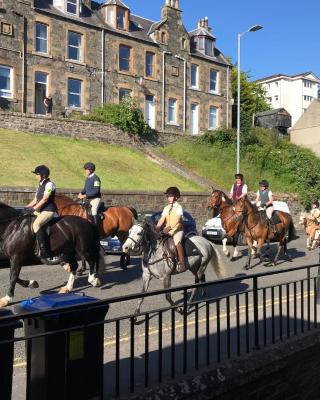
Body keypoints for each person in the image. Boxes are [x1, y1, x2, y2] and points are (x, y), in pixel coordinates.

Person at [25, 165, 57, 259]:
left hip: (48, 210)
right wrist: (26, 207)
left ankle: (44, 250)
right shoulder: (40, 185)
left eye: (37, 174)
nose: (35, 176)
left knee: (36, 225)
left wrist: (34, 208)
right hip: (40, 210)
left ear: (43, 175)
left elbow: (45, 199)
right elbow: (35, 200)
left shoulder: (49, 184)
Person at [156, 187, 186, 272]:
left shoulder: (179, 207)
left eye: (170, 196)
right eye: (168, 196)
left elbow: (177, 219)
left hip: (177, 229)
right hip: (167, 229)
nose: (168, 198)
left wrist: (169, 228)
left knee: (177, 242)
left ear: (176, 197)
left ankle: (182, 263)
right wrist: (157, 227)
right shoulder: (166, 208)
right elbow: (162, 218)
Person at [78, 162, 101, 226]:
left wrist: (84, 195)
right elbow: (85, 189)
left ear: (91, 170)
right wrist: (81, 193)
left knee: (93, 211)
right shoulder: (88, 178)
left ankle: (96, 228)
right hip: (88, 199)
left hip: (95, 199)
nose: (85, 171)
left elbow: (96, 191)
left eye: (86, 169)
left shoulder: (96, 179)